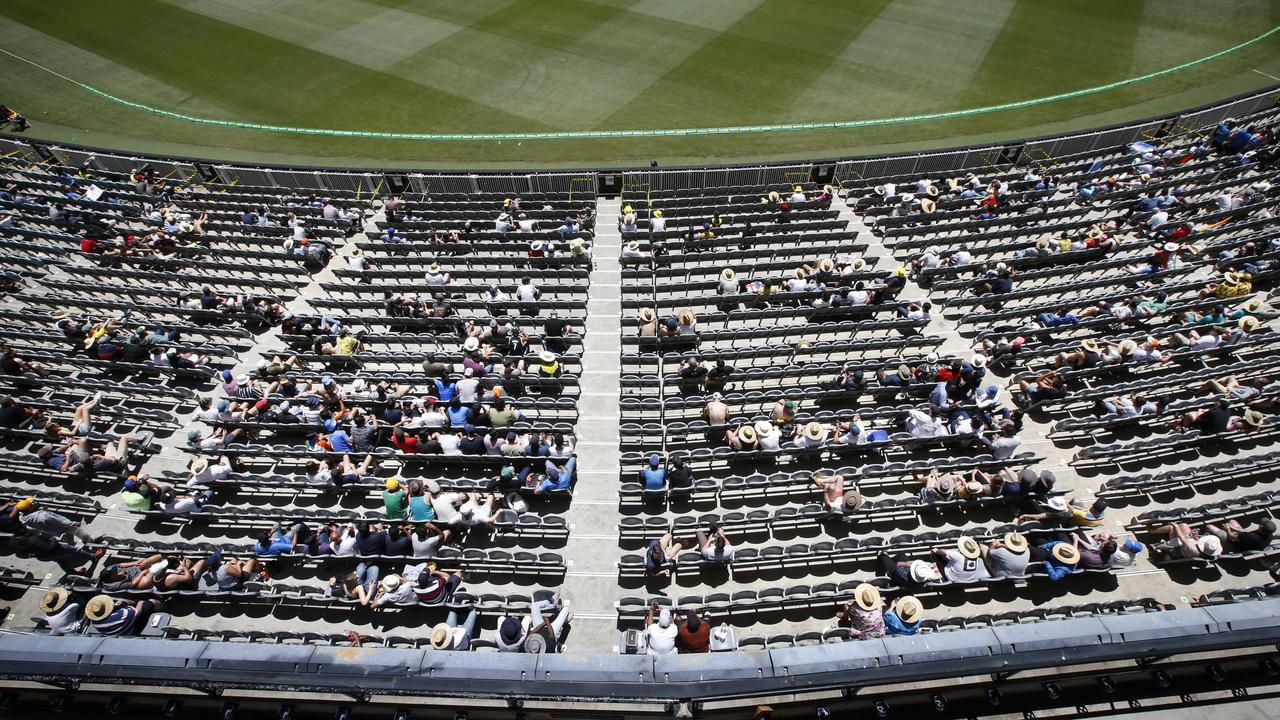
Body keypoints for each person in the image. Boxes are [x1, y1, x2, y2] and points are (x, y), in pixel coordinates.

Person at [85, 594, 164, 636]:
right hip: (132, 630)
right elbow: (137, 612)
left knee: (125, 602)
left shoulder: (94, 621)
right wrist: (141, 601)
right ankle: (163, 604)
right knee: (148, 604)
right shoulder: (120, 614)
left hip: (116, 632)